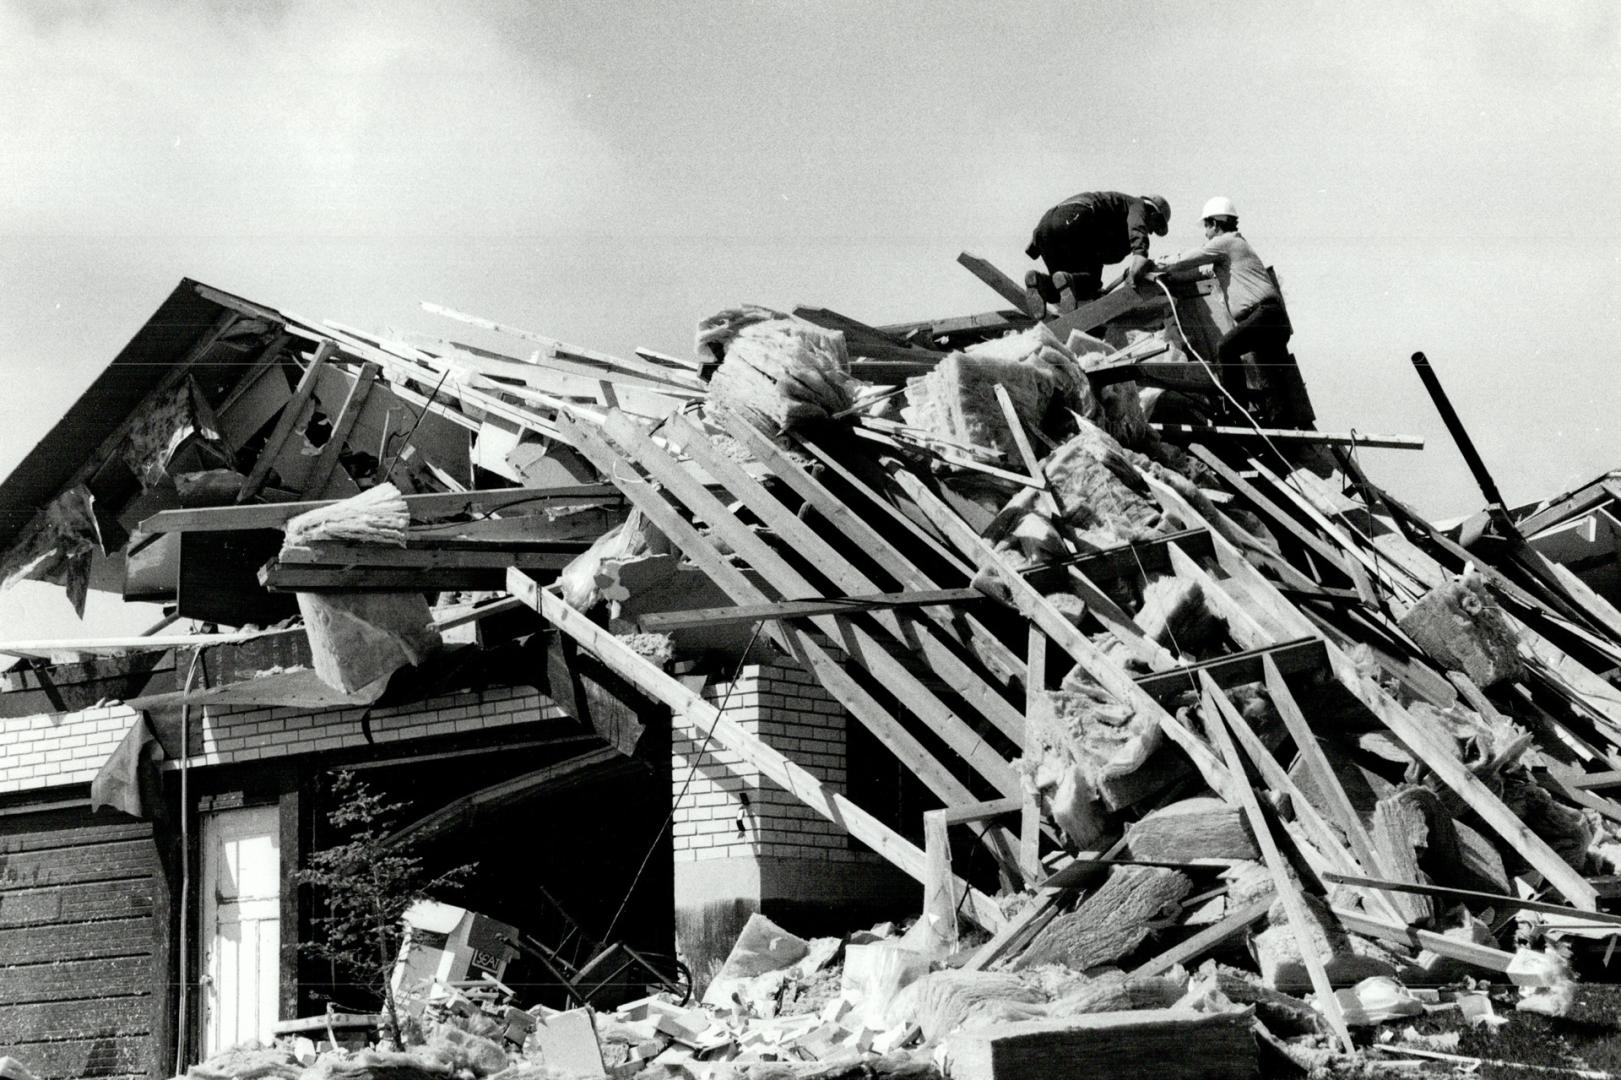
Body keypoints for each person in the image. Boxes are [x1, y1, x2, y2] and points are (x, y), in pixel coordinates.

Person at [1155, 196, 1310, 425]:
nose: (1205, 234)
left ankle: (1236, 411)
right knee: (1272, 378)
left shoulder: (1225, 242)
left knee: (1226, 348)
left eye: (1206, 227)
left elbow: (1188, 259)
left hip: (1265, 314)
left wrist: (1157, 264)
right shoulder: (1233, 249)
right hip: (1271, 318)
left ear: (1215, 224)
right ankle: (1282, 424)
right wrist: (1171, 278)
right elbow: (1203, 271)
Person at [1023, 192, 1170, 315]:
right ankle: (1071, 281)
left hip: (1044, 229)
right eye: (1154, 225)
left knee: (1064, 291)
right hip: (1077, 217)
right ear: (1152, 212)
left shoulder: (1113, 210)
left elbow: (1106, 255)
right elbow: (1137, 231)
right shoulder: (1139, 205)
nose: (1151, 231)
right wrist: (1140, 257)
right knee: (1089, 284)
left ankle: (1040, 282)